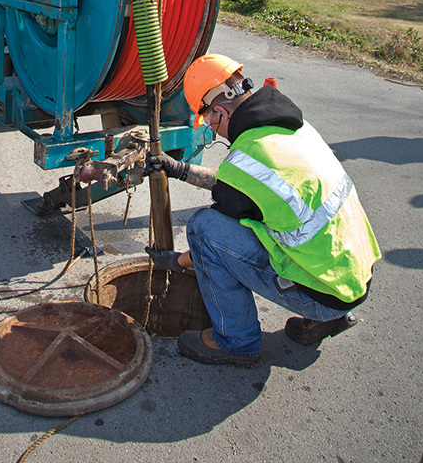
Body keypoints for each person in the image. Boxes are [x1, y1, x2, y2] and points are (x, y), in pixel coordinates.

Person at [145, 53, 381, 368]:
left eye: (210, 123)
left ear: (219, 111)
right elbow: (246, 182)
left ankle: (236, 341)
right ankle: (323, 321)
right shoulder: (290, 127)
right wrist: (180, 169)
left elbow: (236, 193)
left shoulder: (248, 162)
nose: (214, 131)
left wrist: (176, 261)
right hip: (351, 275)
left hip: (326, 293)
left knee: (204, 227)